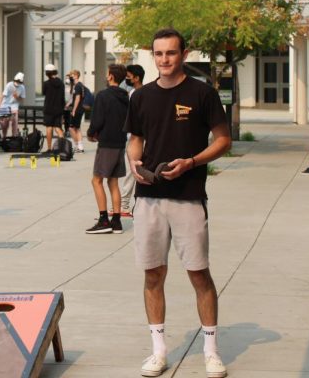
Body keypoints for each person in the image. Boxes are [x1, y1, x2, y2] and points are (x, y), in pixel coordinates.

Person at [126, 28, 231, 378]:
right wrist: (135, 164)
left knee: (199, 274)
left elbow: (223, 140)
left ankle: (211, 352)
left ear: (184, 54)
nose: (164, 59)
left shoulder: (203, 93)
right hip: (149, 199)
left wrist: (192, 162)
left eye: (171, 53)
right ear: (152, 56)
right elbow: (136, 140)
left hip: (188, 197)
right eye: (158, 54)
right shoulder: (140, 97)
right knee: (152, 274)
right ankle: (158, 352)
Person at [85, 64, 130, 235]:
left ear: (111, 76)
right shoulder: (125, 96)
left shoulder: (103, 95)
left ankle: (104, 220)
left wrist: (90, 133)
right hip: (120, 142)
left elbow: (97, 119)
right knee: (113, 181)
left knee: (96, 180)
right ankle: (116, 221)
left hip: (106, 143)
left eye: (107, 73)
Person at [119, 63, 146, 216]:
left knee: (132, 170)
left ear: (136, 78)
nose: (126, 79)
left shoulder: (136, 94)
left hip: (136, 137)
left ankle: (124, 205)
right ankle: (129, 204)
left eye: (128, 77)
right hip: (137, 136)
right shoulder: (139, 92)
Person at [42, 64, 65, 151]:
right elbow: (63, 97)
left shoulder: (46, 84)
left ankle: (49, 148)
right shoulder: (61, 83)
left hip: (48, 108)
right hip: (59, 109)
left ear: (47, 73)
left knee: (49, 127)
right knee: (58, 128)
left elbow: (44, 93)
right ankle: (62, 148)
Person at [0, 72, 25, 138]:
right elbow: (2, 96)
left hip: (14, 106)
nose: (17, 83)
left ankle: (14, 137)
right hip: (5, 106)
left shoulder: (22, 87)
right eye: (16, 81)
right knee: (5, 123)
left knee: (15, 120)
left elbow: (22, 99)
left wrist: (17, 97)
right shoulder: (9, 85)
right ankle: (4, 136)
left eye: (19, 82)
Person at [67, 70, 85, 152]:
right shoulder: (77, 85)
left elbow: (78, 98)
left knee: (72, 128)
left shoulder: (78, 86)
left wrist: (74, 110)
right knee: (77, 127)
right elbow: (73, 98)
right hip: (79, 109)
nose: (70, 77)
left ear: (76, 75)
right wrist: (67, 105)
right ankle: (79, 146)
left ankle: (78, 145)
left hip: (77, 109)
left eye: (72, 75)